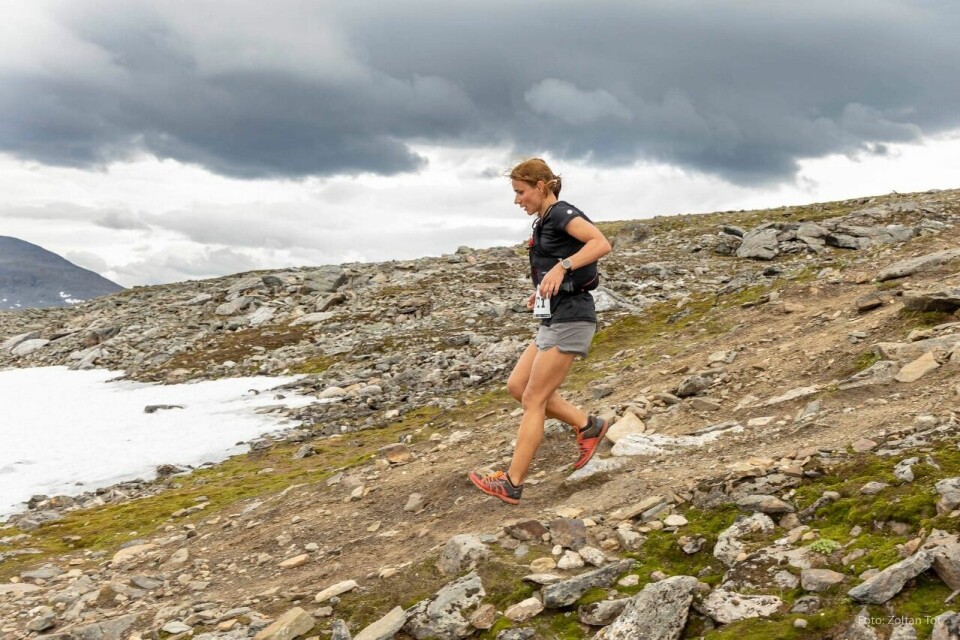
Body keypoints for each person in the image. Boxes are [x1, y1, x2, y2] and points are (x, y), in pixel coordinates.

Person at [468, 158, 612, 505]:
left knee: (534, 399)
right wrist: (543, 288)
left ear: (541, 186)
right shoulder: (545, 221)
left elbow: (600, 243)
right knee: (517, 386)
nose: (518, 200)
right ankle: (588, 425)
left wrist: (562, 268)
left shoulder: (562, 212)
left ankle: (512, 483)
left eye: (521, 192)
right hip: (555, 316)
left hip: (573, 318)